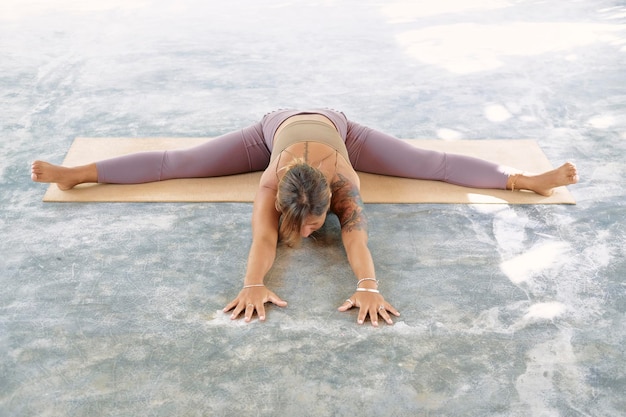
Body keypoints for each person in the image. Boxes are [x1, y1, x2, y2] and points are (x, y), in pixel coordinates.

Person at [31, 108, 578, 326]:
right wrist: (251, 282)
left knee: (427, 163)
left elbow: (358, 239)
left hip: (340, 127)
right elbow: (263, 238)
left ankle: (523, 180)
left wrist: (368, 284)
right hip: (276, 128)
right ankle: (77, 172)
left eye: (318, 226)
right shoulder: (271, 180)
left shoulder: (346, 183)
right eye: (310, 229)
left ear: (329, 204)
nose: (315, 236)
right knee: (183, 163)